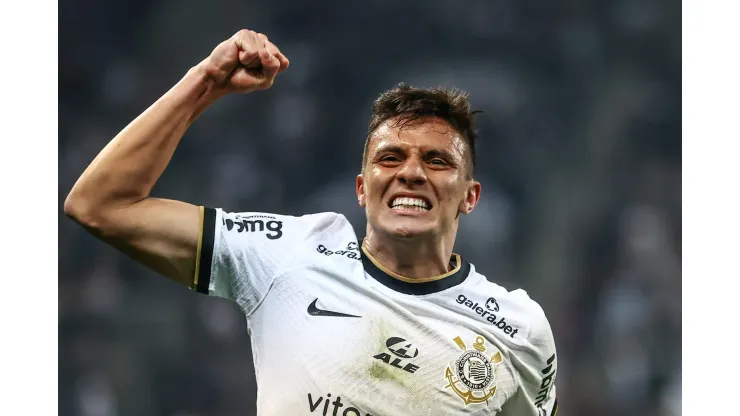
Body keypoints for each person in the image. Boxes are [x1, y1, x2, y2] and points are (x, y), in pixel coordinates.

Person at [65, 29, 558, 416]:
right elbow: (102, 205)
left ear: (469, 197)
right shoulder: (288, 253)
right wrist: (205, 83)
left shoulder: (519, 330)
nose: (410, 173)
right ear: (362, 189)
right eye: (390, 158)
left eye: (436, 160)